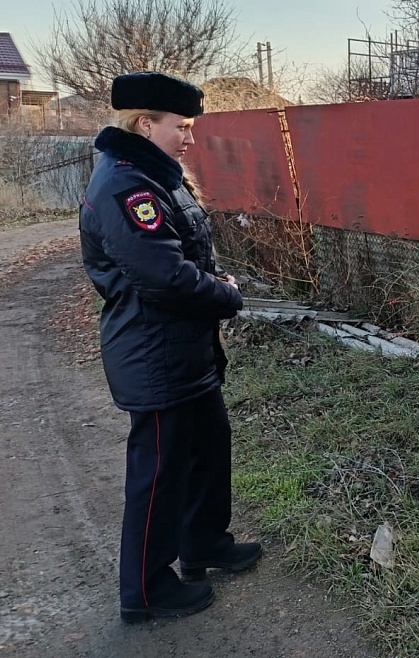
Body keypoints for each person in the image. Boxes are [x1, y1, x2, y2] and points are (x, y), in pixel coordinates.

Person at [79, 72, 262, 622]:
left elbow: (182, 254)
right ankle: (145, 590)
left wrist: (214, 278)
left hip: (183, 348)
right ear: (144, 124)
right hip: (154, 353)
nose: (189, 137)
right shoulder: (126, 186)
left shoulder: (156, 175)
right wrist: (225, 295)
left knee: (208, 448)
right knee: (158, 473)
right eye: (180, 126)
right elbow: (164, 276)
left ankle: (203, 543)